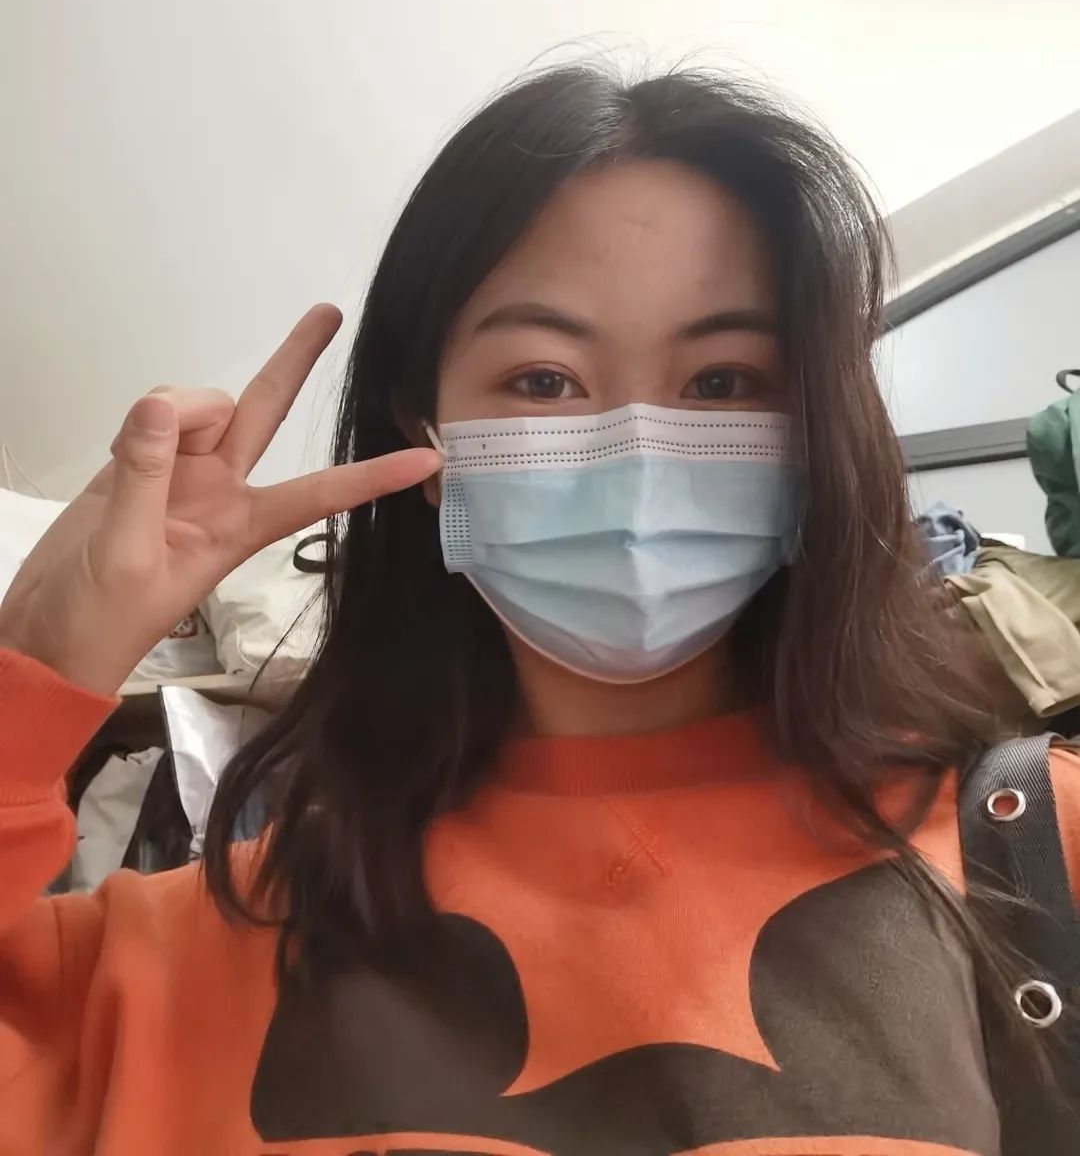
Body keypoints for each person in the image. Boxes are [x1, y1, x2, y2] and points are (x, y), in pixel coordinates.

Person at [0, 65, 1077, 1156]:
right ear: (425, 437)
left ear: (813, 436)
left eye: (722, 382)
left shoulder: (1042, 853)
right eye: (544, 381)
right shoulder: (190, 952)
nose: (636, 456)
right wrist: (33, 665)